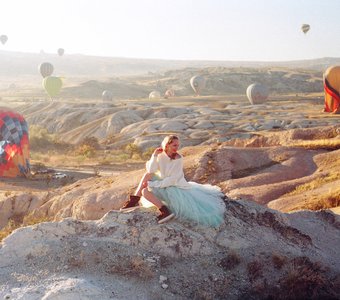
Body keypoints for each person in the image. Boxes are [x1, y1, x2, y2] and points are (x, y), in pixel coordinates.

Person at [120, 135, 226, 226]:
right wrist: (154, 155)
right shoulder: (160, 156)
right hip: (163, 183)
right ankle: (154, 207)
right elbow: (151, 170)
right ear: (167, 145)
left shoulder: (178, 159)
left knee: (145, 191)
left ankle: (158, 209)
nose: (177, 148)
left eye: (178, 145)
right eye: (174, 145)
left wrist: (153, 184)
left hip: (173, 187)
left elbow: (173, 180)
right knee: (147, 177)